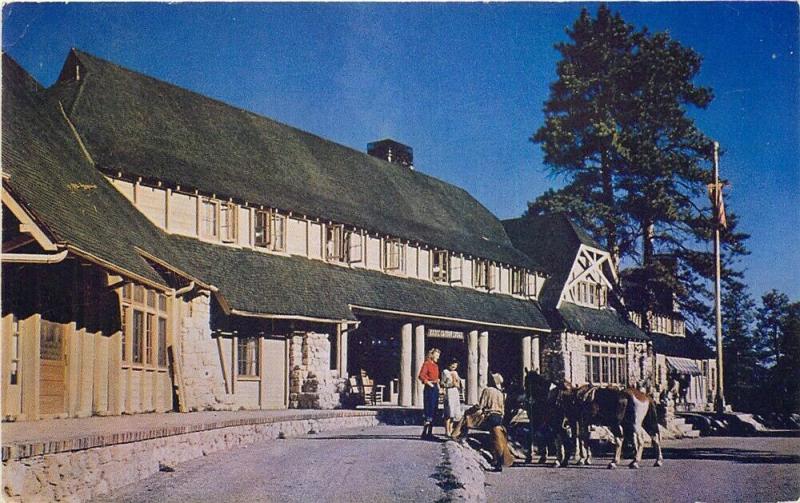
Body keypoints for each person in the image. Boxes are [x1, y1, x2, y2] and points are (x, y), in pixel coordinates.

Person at [451, 372, 515, 472]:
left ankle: (459, 435)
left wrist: (472, 410)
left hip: (490, 416)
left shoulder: (487, 390)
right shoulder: (501, 393)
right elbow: (502, 410)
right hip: (499, 417)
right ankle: (497, 460)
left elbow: (481, 406)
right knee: (496, 437)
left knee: (468, 417)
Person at [418, 348, 441, 440]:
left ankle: (430, 433)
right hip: (429, 388)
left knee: (434, 410)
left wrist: (438, 384)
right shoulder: (426, 364)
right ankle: (424, 433)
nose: (438, 357)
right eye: (436, 355)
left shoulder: (436, 366)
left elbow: (436, 377)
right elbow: (421, 376)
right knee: (429, 410)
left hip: (435, 388)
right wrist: (428, 383)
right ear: (432, 355)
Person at [441, 359, 463, 437]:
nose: (454, 366)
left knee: (453, 413)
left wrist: (457, 384)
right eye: (452, 364)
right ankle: (447, 431)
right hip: (449, 392)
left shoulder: (456, 373)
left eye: (455, 364)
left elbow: (458, 383)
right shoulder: (445, 372)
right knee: (448, 412)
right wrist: (450, 385)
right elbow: (442, 383)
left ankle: (451, 430)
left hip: (455, 392)